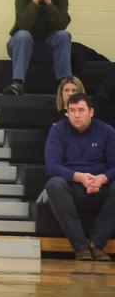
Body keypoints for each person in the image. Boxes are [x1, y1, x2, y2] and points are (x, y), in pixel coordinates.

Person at [44, 93, 115, 261]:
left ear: (91, 112)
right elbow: (52, 166)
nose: (76, 115)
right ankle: (81, 247)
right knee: (54, 184)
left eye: (81, 110)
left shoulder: (107, 131)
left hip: (101, 187)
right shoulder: (57, 130)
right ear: (67, 112)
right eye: (72, 110)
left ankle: (97, 244)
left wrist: (102, 178)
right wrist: (79, 177)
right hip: (72, 187)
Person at [4, 0, 72, 96]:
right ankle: (17, 83)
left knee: (63, 35)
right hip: (22, 47)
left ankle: (65, 85)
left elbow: (62, 24)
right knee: (23, 35)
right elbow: (22, 25)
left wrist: (49, 3)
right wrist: (35, 1)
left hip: (47, 49)